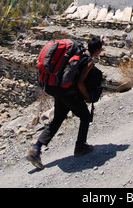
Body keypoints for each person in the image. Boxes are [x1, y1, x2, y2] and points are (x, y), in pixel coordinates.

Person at [27, 36, 104, 170]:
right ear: (97, 50)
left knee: (57, 119)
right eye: (101, 48)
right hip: (70, 94)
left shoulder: (78, 55)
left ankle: (36, 148)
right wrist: (87, 98)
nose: (102, 50)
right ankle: (80, 146)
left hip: (60, 91)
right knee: (85, 116)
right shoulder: (88, 62)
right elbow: (80, 82)